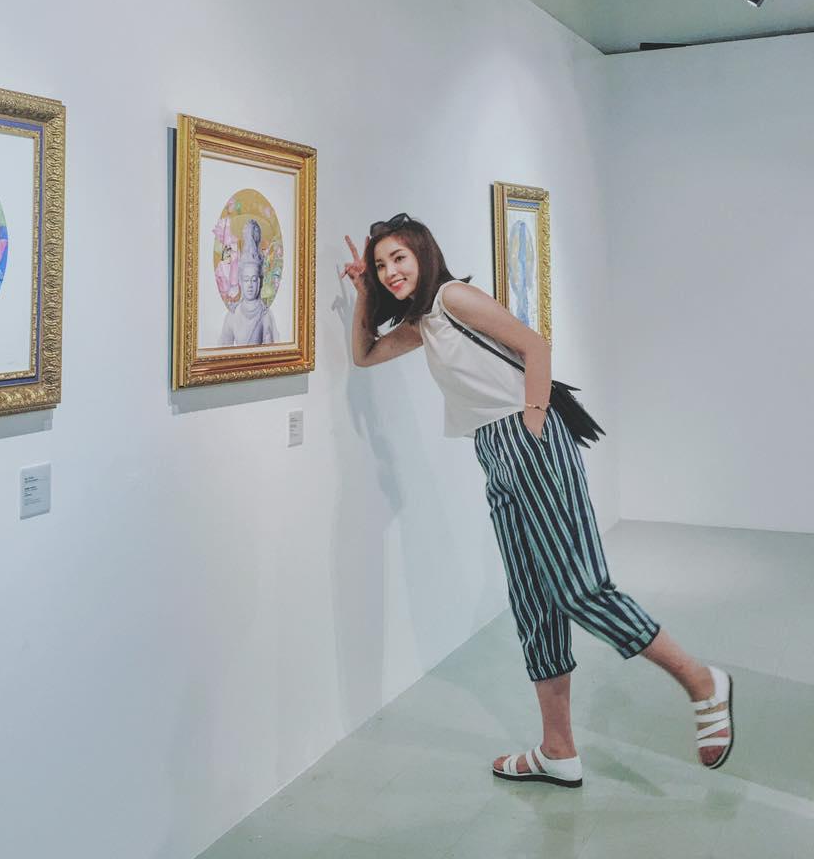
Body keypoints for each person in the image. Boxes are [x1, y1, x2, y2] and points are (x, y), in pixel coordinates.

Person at [341, 212, 733, 788]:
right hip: (493, 449)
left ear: (424, 255)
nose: (389, 271)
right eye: (380, 265)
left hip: (528, 438)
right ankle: (558, 749)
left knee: (580, 589)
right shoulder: (424, 322)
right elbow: (365, 355)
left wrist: (532, 422)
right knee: (533, 601)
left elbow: (534, 345)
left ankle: (701, 681)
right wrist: (362, 295)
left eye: (398, 258)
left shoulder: (452, 298)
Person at [219, 218, 278, 346]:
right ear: (240, 281)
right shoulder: (232, 315)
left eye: (254, 279)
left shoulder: (266, 315)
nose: (250, 285)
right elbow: (222, 349)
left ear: (260, 281)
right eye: (246, 280)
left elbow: (273, 350)